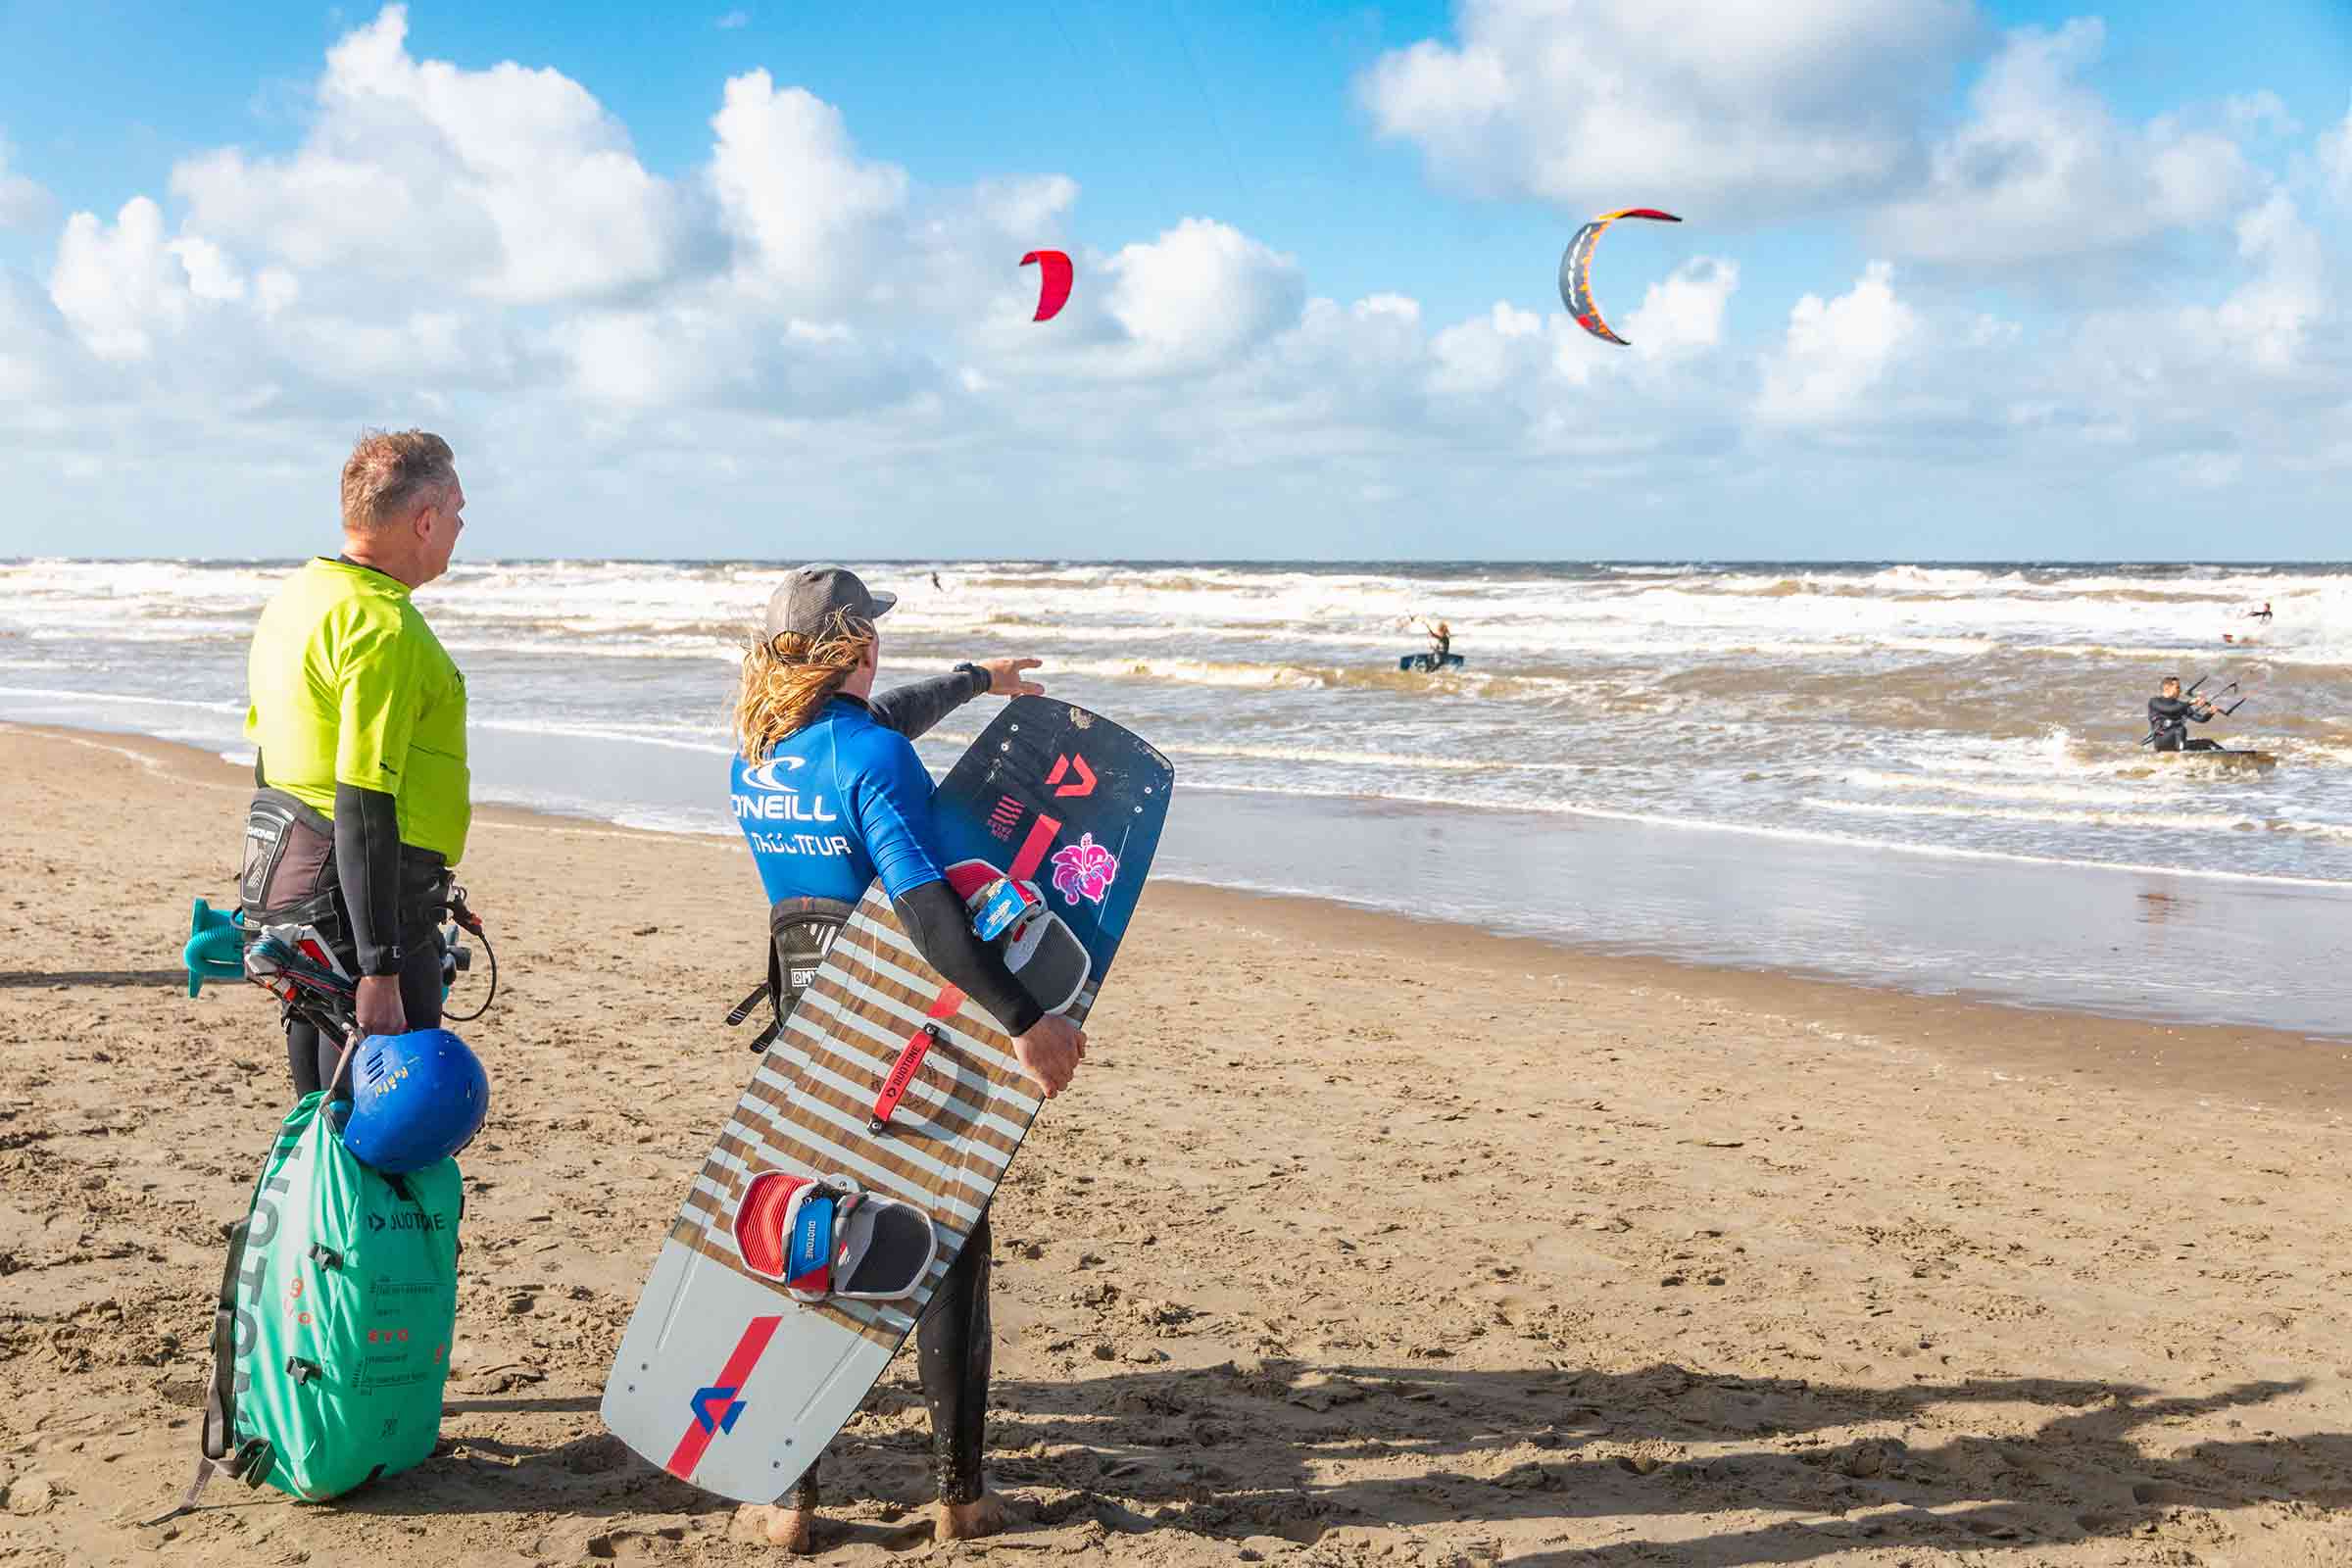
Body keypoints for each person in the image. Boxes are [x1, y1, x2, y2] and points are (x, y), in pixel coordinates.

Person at [728, 564, 1078, 1553]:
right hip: (891, 1033)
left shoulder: (759, 752)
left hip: (802, 1031)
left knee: (807, 1244)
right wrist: (1023, 1018)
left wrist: (978, 680)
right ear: (855, 646)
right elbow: (927, 910)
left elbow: (875, 722)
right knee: (951, 1241)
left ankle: (789, 1499)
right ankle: (961, 1495)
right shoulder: (874, 759)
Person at [241, 430, 471, 1096]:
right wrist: (380, 969)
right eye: (455, 510)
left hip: (297, 885)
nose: (460, 525)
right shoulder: (382, 627)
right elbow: (365, 801)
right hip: (368, 899)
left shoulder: (299, 599)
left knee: (322, 1108)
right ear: (423, 520)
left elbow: (271, 762)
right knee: (386, 1124)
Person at [2147, 675, 2224, 753]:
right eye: (2177, 688)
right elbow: (2170, 709)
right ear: (2167, 688)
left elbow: (2200, 719)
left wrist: (2210, 713)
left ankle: (2230, 757)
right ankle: (2183, 752)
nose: (2180, 691)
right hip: (2161, 741)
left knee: (2209, 743)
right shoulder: (2154, 702)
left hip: (2178, 742)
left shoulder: (2181, 705)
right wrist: (2191, 702)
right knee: (2180, 729)